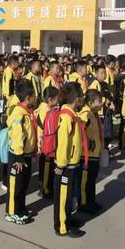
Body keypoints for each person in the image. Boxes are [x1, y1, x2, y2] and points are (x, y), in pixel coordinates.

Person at [54, 82, 85, 238]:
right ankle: (62, 225)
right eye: (81, 95)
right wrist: (60, 164)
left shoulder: (72, 114)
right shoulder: (66, 117)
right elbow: (63, 142)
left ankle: (68, 218)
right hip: (65, 164)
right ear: (76, 98)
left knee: (69, 194)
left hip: (73, 162)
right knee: (63, 196)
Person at [5, 79, 37, 225]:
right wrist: (18, 157)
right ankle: (11, 212)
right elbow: (18, 137)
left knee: (24, 184)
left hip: (27, 155)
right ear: (29, 98)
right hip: (18, 157)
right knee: (16, 186)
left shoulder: (27, 112)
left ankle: (20, 208)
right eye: (34, 96)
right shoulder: (19, 113)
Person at [78, 89, 103, 214]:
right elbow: (81, 131)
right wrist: (88, 143)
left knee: (92, 180)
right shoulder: (85, 114)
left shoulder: (93, 114)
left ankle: (91, 200)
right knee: (85, 182)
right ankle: (83, 203)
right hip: (86, 155)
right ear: (91, 102)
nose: (101, 104)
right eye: (99, 101)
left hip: (95, 154)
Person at [35, 86, 60, 198]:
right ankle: (44, 189)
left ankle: (47, 187)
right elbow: (43, 128)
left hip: (48, 143)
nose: (59, 99)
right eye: (57, 97)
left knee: (48, 168)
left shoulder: (49, 108)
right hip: (45, 144)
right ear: (50, 100)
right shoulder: (45, 110)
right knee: (46, 168)